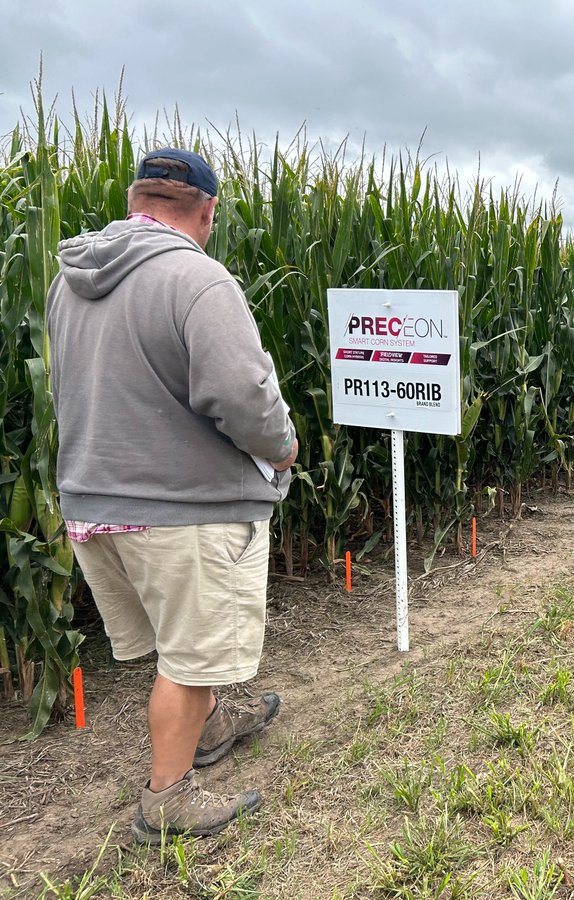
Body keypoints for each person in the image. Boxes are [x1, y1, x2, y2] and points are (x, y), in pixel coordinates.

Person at [46, 148, 298, 843]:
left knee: (178, 642)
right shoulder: (197, 278)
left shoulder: (69, 280)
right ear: (207, 211)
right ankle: (168, 801)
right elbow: (243, 396)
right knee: (189, 660)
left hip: (94, 503)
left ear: (135, 201)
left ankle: (211, 726)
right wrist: (282, 447)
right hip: (181, 510)